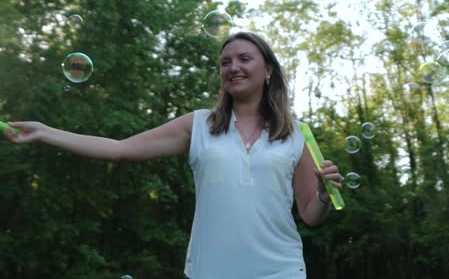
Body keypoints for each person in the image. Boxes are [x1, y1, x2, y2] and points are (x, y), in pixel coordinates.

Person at [2, 31, 344, 279]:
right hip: (212, 270)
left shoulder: (297, 134)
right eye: (225, 62)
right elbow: (120, 149)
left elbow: (310, 214)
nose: (233, 67)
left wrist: (325, 196)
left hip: (279, 270)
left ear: (268, 70)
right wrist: (45, 131)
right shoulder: (199, 126)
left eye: (244, 58)